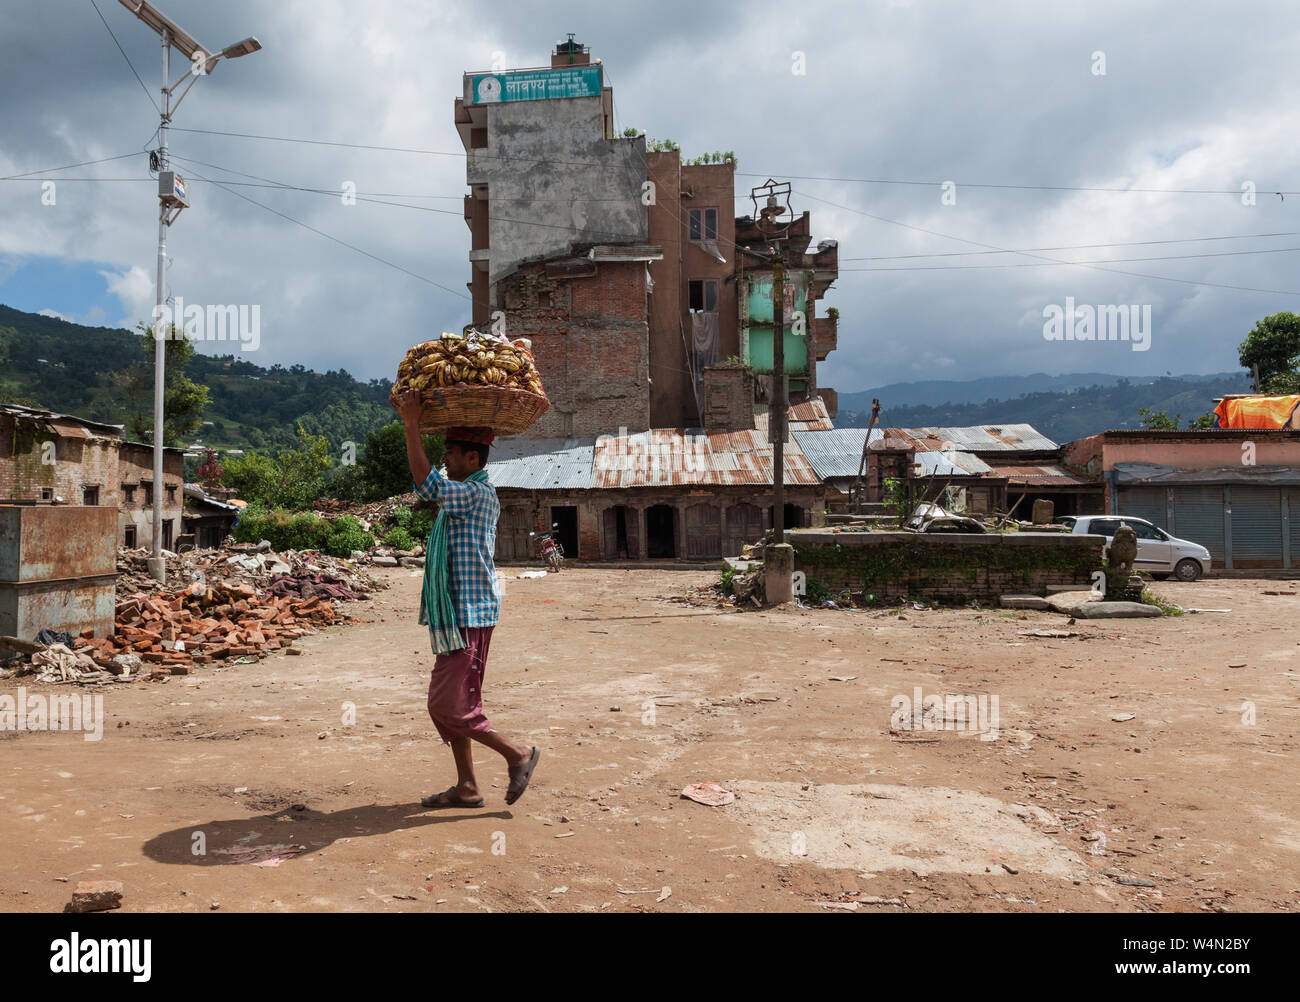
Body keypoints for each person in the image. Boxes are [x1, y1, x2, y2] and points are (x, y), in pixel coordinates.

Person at [394, 390, 540, 808]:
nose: (446, 462)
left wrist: (411, 424)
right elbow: (433, 484)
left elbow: (426, 484)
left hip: (468, 614)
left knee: (444, 703)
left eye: (452, 455)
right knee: (461, 702)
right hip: (462, 612)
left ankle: (518, 754)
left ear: (473, 460)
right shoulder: (465, 493)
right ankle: (468, 786)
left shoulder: (474, 493)